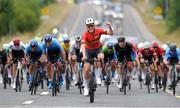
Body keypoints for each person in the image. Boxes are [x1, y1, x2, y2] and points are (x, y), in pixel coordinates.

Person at [81, 17, 113, 96]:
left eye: (92, 25)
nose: (91, 27)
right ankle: (86, 87)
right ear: (86, 27)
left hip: (97, 49)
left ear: (94, 25)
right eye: (89, 26)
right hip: (88, 51)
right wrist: (84, 56)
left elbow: (110, 33)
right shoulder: (85, 34)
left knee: (101, 57)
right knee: (86, 68)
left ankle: (98, 77)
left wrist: (109, 27)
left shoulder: (98, 31)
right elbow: (83, 46)